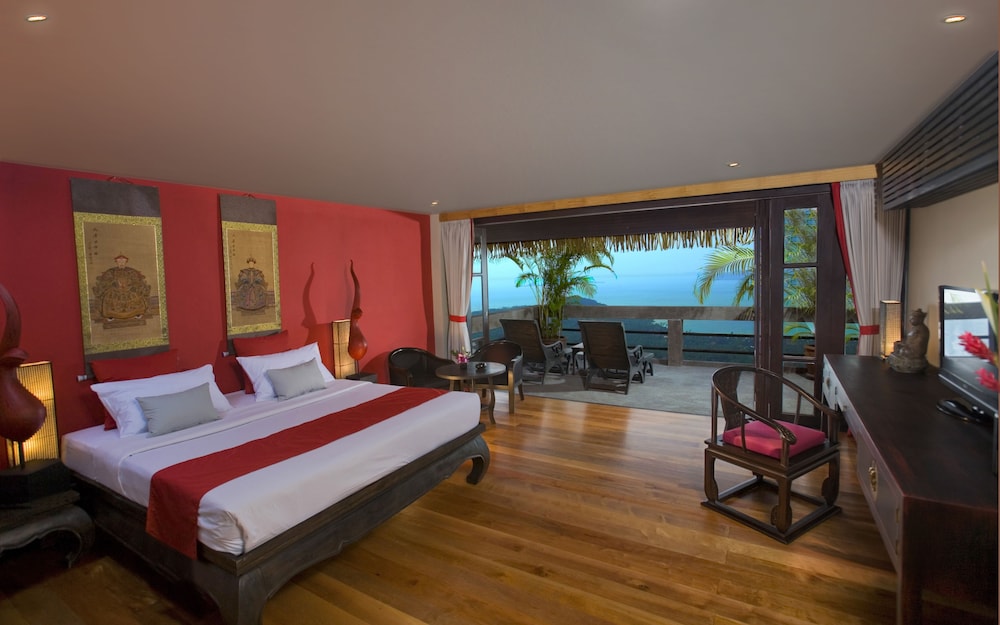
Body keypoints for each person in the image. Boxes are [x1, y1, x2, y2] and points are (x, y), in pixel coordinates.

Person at [94, 253, 150, 321]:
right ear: (116, 262)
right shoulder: (112, 271)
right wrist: (115, 284)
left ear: (126, 262)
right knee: (109, 296)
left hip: (129, 289)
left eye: (123, 262)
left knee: (136, 296)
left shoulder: (130, 271)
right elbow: (107, 280)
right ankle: (110, 315)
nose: (121, 263)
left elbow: (136, 280)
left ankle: (137, 313)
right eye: (119, 262)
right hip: (116, 289)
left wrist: (130, 285)